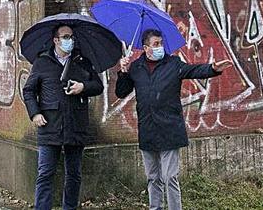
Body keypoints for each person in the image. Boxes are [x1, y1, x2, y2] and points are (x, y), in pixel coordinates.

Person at [115, 28, 232, 210]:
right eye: (155, 44)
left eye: (161, 43)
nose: (159, 47)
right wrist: (122, 72)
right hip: (147, 129)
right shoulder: (136, 67)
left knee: (170, 177)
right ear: (146, 48)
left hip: (169, 128)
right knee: (153, 177)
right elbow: (121, 92)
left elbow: (193, 70)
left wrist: (213, 69)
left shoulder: (173, 63)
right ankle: (156, 207)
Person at [21, 24, 103, 210]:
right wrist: (35, 113)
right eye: (66, 37)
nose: (70, 40)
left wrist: (83, 87)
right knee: (45, 173)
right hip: (50, 126)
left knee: (74, 174)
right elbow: (29, 91)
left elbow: (98, 86)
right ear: (56, 40)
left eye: (72, 37)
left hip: (76, 125)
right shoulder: (42, 62)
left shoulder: (82, 61)